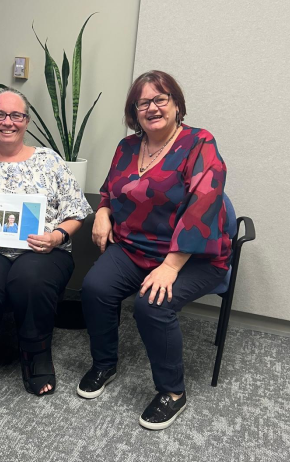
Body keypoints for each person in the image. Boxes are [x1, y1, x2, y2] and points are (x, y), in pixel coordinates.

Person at [77, 70, 231, 430]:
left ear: (177, 105)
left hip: (194, 256)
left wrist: (171, 266)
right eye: (143, 102)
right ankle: (104, 363)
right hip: (134, 248)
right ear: (134, 111)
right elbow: (109, 188)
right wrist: (101, 210)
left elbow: (204, 206)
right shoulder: (128, 146)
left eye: (161, 99)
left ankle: (173, 392)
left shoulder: (200, 143)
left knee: (152, 305)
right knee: (95, 288)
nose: (153, 107)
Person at [0, 88, 92, 396]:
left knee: (29, 278)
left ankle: (36, 353)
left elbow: (78, 213)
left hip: (44, 250)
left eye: (16, 115)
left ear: (26, 121)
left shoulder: (49, 160)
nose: (8, 122)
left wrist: (56, 237)